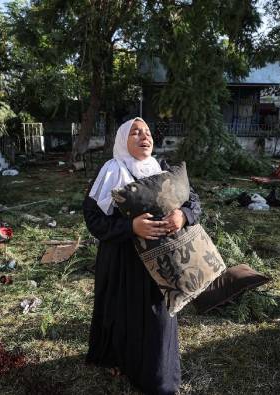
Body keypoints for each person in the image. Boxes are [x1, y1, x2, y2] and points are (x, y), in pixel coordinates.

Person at [83, 117, 201, 394]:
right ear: (123, 139)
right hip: (122, 261)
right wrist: (130, 227)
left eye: (147, 132)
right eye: (135, 132)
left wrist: (182, 215)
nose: (144, 136)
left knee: (156, 318)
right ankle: (118, 360)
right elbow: (93, 218)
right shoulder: (111, 172)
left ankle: (155, 376)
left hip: (160, 261)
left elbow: (194, 201)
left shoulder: (163, 170)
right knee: (120, 313)